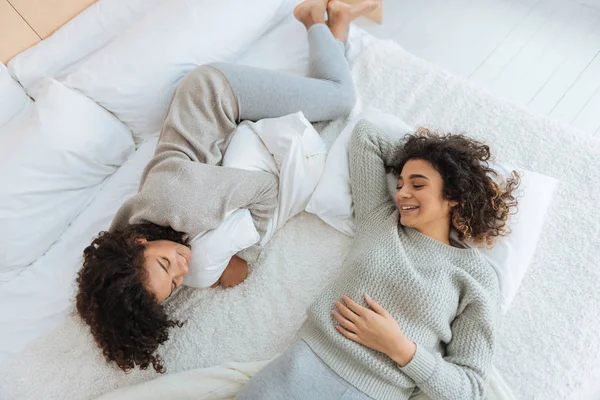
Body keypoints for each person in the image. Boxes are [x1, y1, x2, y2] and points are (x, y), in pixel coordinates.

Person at [75, 0, 381, 375]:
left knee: (338, 98)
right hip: (206, 134)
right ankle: (339, 22)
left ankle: (311, 17)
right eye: (174, 284)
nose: (183, 269)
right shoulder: (126, 248)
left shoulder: (182, 204)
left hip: (219, 94)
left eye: (168, 264)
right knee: (318, 109)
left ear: (140, 244)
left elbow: (266, 189)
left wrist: (248, 251)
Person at [235, 60, 521, 400]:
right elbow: (367, 134)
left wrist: (401, 348)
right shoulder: (381, 220)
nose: (401, 193)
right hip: (297, 372)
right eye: (399, 183)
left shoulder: (477, 277)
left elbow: (469, 389)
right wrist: (422, 154)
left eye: (417, 184)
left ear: (454, 196)